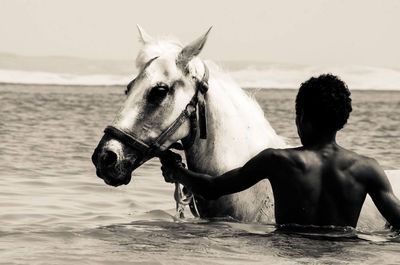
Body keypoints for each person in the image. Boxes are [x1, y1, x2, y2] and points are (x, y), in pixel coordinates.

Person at [160, 74, 400, 229]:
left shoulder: (277, 161)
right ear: (342, 121)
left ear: (302, 117)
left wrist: (177, 171)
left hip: (289, 253)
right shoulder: (368, 168)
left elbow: (212, 188)